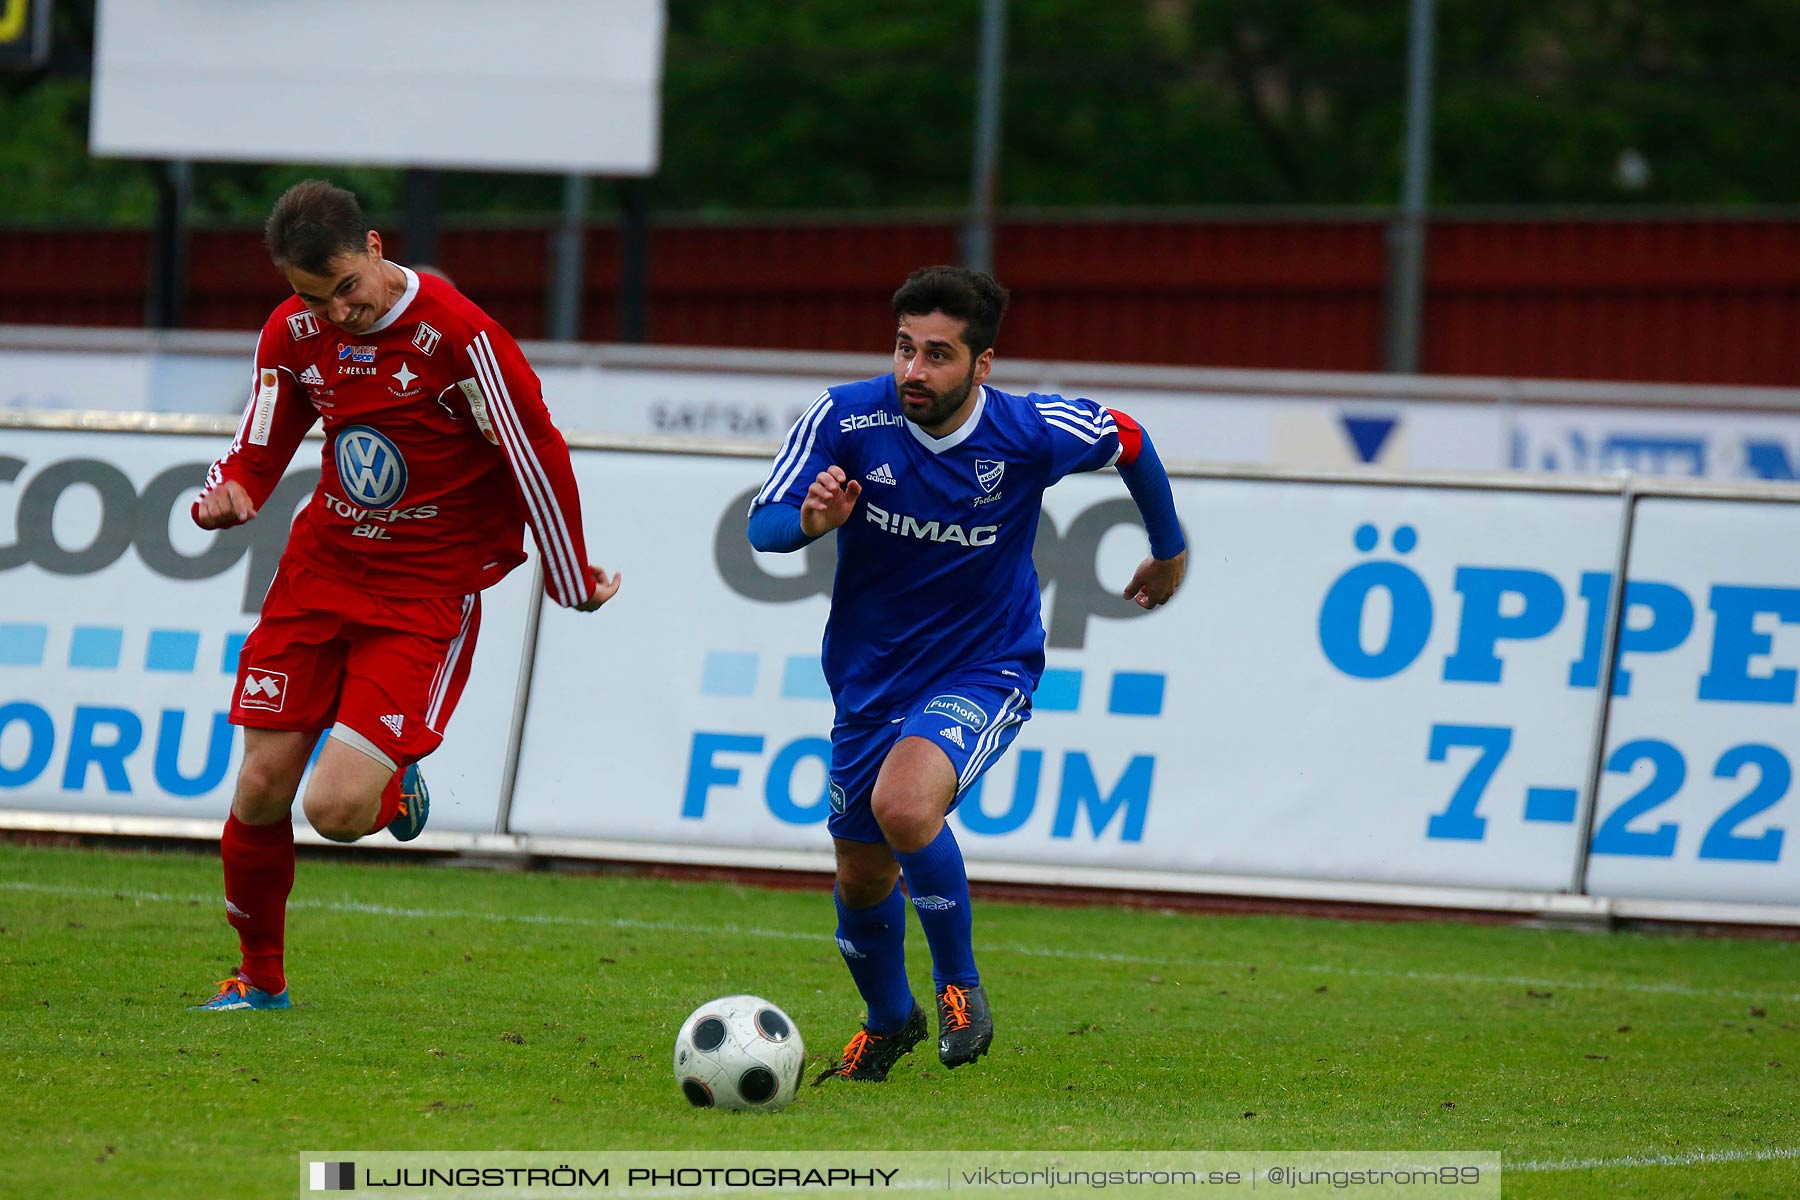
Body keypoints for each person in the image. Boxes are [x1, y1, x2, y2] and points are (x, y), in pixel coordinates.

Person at [188, 180, 621, 1011]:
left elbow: (537, 453)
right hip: (319, 577)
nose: (335, 312)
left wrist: (570, 575)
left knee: (339, 810)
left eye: (346, 288)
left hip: (425, 591)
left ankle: (395, 776)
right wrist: (227, 494)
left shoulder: (460, 336)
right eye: (313, 297)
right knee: (259, 789)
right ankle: (260, 981)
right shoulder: (294, 331)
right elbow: (258, 440)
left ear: (377, 249)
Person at [747, 265, 1186, 1080]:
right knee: (861, 872)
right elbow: (762, 527)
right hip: (871, 678)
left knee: (905, 806)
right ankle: (889, 1020)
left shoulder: (1028, 431)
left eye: (939, 355)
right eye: (905, 348)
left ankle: (960, 987)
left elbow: (1128, 437)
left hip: (986, 665)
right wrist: (809, 520)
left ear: (982, 365)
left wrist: (1168, 548)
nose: (914, 371)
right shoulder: (845, 417)